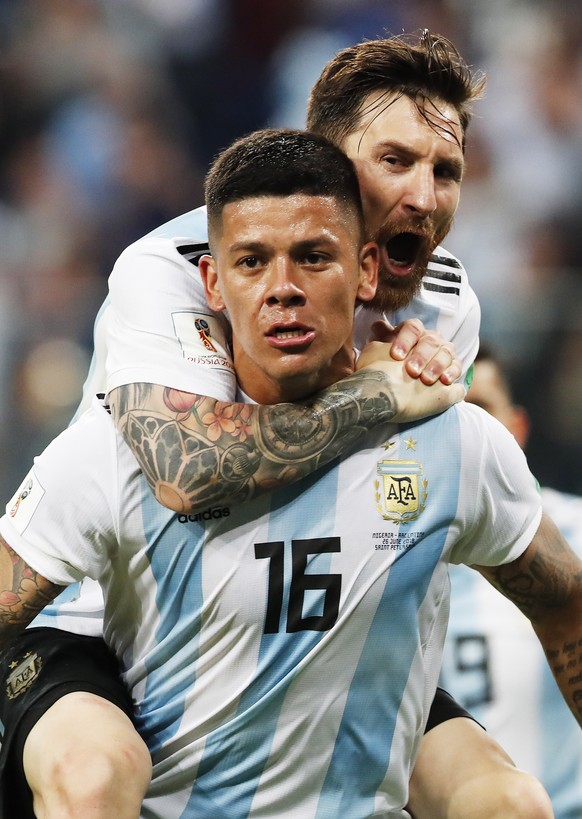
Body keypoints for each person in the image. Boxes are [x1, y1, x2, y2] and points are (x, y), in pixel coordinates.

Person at [0, 32, 547, 819]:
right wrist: (380, 395)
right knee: (93, 774)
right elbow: (188, 473)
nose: (424, 197)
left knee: (507, 801)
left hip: (301, 629)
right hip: (108, 628)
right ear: (320, 157)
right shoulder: (169, 269)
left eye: (445, 169)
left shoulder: (447, 299)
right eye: (395, 161)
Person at [438, 344, 582, 817]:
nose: (466, 431)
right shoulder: (395, 555)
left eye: (479, 410)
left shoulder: (576, 533)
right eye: (448, 411)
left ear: (517, 429)